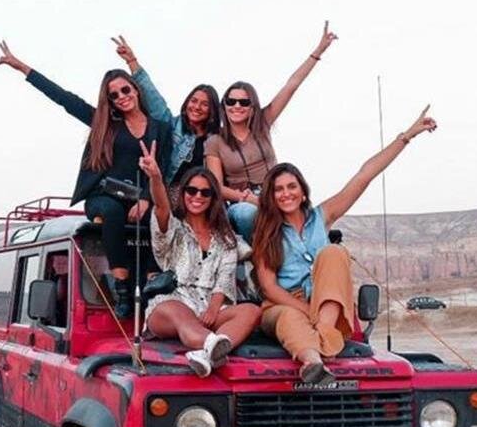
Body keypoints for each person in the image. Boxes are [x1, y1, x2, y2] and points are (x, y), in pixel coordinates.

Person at [252, 106, 438, 386]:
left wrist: (407, 136)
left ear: (302, 191)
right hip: (283, 303)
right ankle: (313, 363)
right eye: (279, 189)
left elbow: (364, 176)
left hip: (324, 303)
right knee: (289, 317)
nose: (286, 193)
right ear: (271, 195)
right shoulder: (267, 231)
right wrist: (307, 312)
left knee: (334, 252)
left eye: (291, 186)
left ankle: (322, 338)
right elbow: (269, 287)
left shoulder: (322, 217)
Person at [0, 41, 172, 318]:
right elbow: (65, 99)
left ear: (136, 90)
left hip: (141, 196)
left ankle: (153, 286)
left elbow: (163, 168)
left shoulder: (161, 129)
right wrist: (22, 68)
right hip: (103, 196)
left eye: (125, 90)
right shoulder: (106, 125)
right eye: (114, 95)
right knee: (112, 213)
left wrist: (147, 200)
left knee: (161, 217)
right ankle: (122, 290)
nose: (122, 97)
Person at [205, 21, 338, 241]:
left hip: (275, 191)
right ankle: (258, 256)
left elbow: (291, 86)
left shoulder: (263, 123)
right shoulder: (215, 141)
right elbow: (216, 186)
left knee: (304, 212)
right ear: (224, 105)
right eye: (231, 101)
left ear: (252, 106)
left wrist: (318, 51)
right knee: (247, 215)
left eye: (243, 102)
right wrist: (247, 198)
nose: (237, 106)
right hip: (243, 199)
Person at [137, 142, 261, 376]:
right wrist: (155, 177)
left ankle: (207, 356)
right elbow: (162, 207)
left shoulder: (226, 238)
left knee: (251, 312)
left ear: (213, 197)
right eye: (192, 190)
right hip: (173, 302)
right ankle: (212, 345)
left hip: (209, 306)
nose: (197, 196)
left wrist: (213, 310)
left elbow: (224, 279)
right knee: (179, 313)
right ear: (183, 193)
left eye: (205, 192)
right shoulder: (173, 229)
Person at [112, 35, 221, 186]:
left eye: (204, 104)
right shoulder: (172, 126)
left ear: (212, 110)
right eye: (194, 101)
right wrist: (131, 61)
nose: (197, 107)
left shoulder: (217, 138)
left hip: (203, 194)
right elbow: (152, 97)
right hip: (171, 191)